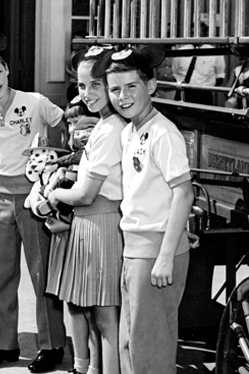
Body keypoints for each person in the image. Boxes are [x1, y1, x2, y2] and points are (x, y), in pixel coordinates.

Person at [0, 44, 66, 373]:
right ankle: (5, 344)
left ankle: (52, 345)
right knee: (0, 276)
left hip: (34, 199)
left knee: (41, 273)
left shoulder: (34, 102)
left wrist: (55, 165)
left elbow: (63, 125)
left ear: (7, 69)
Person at [104, 47, 194, 374]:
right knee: (131, 340)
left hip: (155, 249)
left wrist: (167, 255)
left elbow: (184, 192)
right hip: (136, 247)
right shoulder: (131, 131)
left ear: (151, 87)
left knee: (150, 346)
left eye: (131, 87)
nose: (122, 96)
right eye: (115, 89)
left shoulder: (162, 132)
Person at [44, 46, 125, 374]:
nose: (87, 93)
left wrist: (53, 196)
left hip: (101, 220)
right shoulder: (104, 126)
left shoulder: (112, 129)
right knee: (88, 310)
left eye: (95, 85)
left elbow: (87, 192)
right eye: (81, 86)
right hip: (90, 222)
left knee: (105, 316)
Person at [171, 21, 225, 104]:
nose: (195, 36)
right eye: (192, 33)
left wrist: (206, 87)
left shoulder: (214, 53)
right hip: (184, 92)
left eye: (199, 33)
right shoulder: (181, 52)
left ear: (205, 34)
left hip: (204, 94)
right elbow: (175, 73)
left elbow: (220, 75)